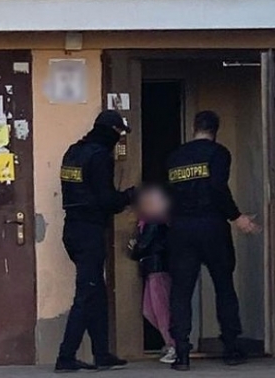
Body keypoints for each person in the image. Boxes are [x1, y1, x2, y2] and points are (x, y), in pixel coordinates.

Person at [166, 111, 259, 371]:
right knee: (224, 286)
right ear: (215, 130)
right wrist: (237, 216)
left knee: (181, 291)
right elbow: (218, 187)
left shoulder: (175, 157)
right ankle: (231, 348)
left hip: (181, 228)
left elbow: (168, 194)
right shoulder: (218, 154)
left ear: (194, 128)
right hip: (212, 226)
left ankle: (181, 353)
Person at [55, 110, 135, 373]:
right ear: (111, 131)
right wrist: (130, 196)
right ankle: (66, 356)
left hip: (73, 229)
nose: (119, 139)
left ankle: (102, 354)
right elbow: (106, 200)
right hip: (89, 231)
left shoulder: (73, 152)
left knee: (96, 293)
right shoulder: (100, 156)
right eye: (119, 133)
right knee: (87, 293)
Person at [130, 216, 176, 364]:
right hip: (152, 267)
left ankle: (173, 344)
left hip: (158, 267)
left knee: (161, 310)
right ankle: (171, 342)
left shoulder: (154, 219)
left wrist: (135, 249)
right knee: (149, 310)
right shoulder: (150, 220)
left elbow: (143, 245)